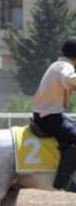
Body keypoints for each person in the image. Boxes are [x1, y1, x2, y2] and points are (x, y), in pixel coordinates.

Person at [32, 36, 76, 191]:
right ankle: (64, 181)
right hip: (50, 117)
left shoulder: (57, 64)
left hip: (46, 114)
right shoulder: (66, 66)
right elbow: (69, 79)